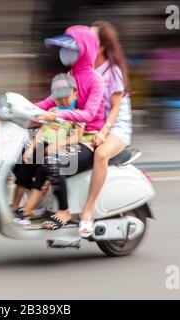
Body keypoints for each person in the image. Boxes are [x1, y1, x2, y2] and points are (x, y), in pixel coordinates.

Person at [23, 25, 106, 230]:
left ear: (84, 50)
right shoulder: (68, 75)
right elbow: (49, 102)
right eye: (63, 48)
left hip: (86, 137)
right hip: (64, 130)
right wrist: (20, 108)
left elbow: (89, 114)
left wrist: (58, 114)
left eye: (70, 48)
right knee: (26, 150)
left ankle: (64, 211)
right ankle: (27, 209)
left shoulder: (96, 80)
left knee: (52, 161)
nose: (64, 52)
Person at [77, 21, 133, 237]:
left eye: (90, 40)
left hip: (116, 127)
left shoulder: (113, 71)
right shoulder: (85, 69)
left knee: (100, 154)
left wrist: (103, 132)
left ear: (100, 46)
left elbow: (116, 108)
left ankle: (88, 212)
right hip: (93, 125)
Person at [13, 73, 91, 227]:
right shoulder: (53, 110)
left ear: (75, 93)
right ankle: (18, 209)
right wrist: (30, 147)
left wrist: (58, 145)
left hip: (57, 148)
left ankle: (27, 211)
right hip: (44, 146)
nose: (62, 101)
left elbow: (76, 137)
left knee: (44, 171)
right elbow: (42, 131)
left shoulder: (78, 113)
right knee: (20, 163)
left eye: (66, 97)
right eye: (58, 98)